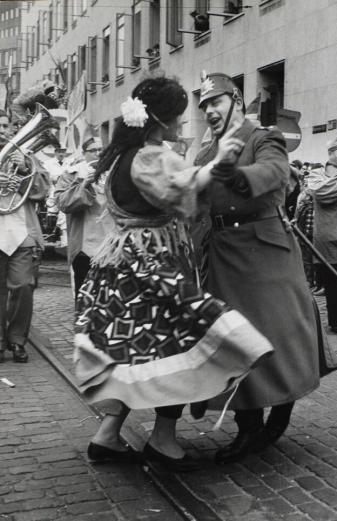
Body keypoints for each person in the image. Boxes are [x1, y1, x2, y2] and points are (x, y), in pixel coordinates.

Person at [73, 76, 273, 471]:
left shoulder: (118, 156)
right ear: (162, 121)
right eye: (180, 117)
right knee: (177, 345)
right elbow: (183, 185)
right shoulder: (149, 155)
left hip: (119, 271)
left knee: (130, 355)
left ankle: (108, 435)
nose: (184, 124)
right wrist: (221, 161)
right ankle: (163, 440)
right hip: (152, 267)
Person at [194, 72, 322, 463]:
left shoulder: (263, 137)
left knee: (278, 337)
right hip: (221, 255)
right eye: (204, 106)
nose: (209, 112)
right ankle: (248, 426)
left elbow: (274, 173)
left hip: (265, 254)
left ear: (235, 99)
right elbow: (192, 200)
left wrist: (232, 171)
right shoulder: (204, 155)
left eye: (215, 102)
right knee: (233, 342)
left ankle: (279, 414)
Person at [0, 113, 50, 363]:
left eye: (5, 126)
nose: (2, 130)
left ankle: (17, 340)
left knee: (23, 288)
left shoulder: (27, 157)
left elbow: (42, 192)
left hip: (21, 234)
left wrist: (25, 169)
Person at [307, 130, 337, 334]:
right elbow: (321, 193)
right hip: (328, 236)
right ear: (331, 154)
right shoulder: (316, 173)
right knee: (334, 281)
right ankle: (335, 320)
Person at [55, 137, 114, 297]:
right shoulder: (70, 174)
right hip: (84, 247)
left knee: (109, 296)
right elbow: (62, 204)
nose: (98, 153)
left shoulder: (114, 171)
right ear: (84, 153)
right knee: (85, 296)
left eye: (101, 150)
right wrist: (84, 185)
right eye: (93, 150)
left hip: (111, 244)